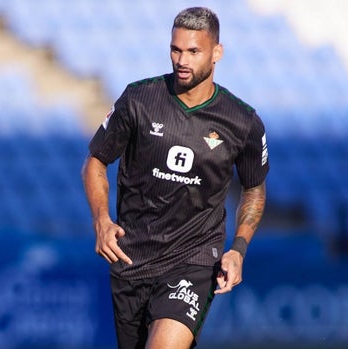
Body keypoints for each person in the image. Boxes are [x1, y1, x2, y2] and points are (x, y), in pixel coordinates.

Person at [82, 6, 269, 349]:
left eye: (193, 51)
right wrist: (102, 220)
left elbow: (254, 190)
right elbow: (95, 161)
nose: (182, 60)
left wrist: (238, 249)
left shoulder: (242, 122)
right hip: (131, 259)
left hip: (194, 259)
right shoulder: (139, 100)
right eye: (176, 49)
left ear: (216, 53)